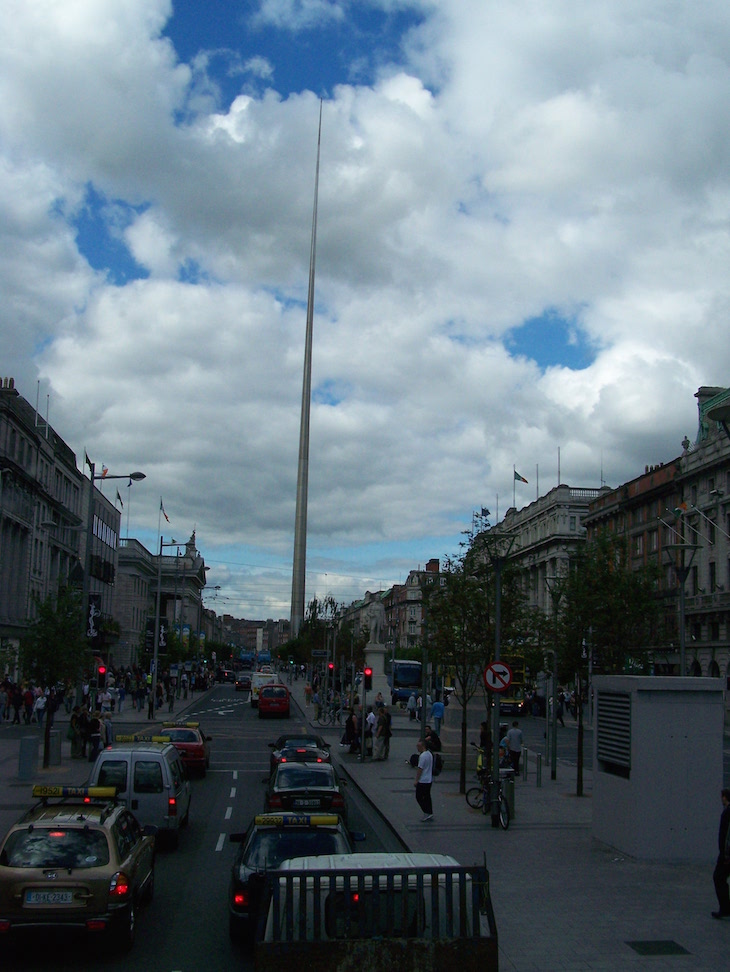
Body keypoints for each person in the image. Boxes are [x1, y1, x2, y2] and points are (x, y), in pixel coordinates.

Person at [712, 788, 730, 919]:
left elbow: (727, 836)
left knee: (718, 877)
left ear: (725, 797)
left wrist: (725, 855)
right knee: (720, 878)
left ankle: (725, 908)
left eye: (722, 797)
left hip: (726, 855)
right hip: (726, 853)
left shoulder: (727, 813)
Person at [414, 738, 434, 821]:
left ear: (423, 746)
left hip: (423, 780)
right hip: (429, 779)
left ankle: (426, 812)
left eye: (418, 746)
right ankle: (429, 811)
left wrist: (416, 780)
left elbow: (420, 769)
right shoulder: (429, 754)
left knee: (419, 797)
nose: (417, 748)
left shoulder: (422, 756)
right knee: (427, 796)